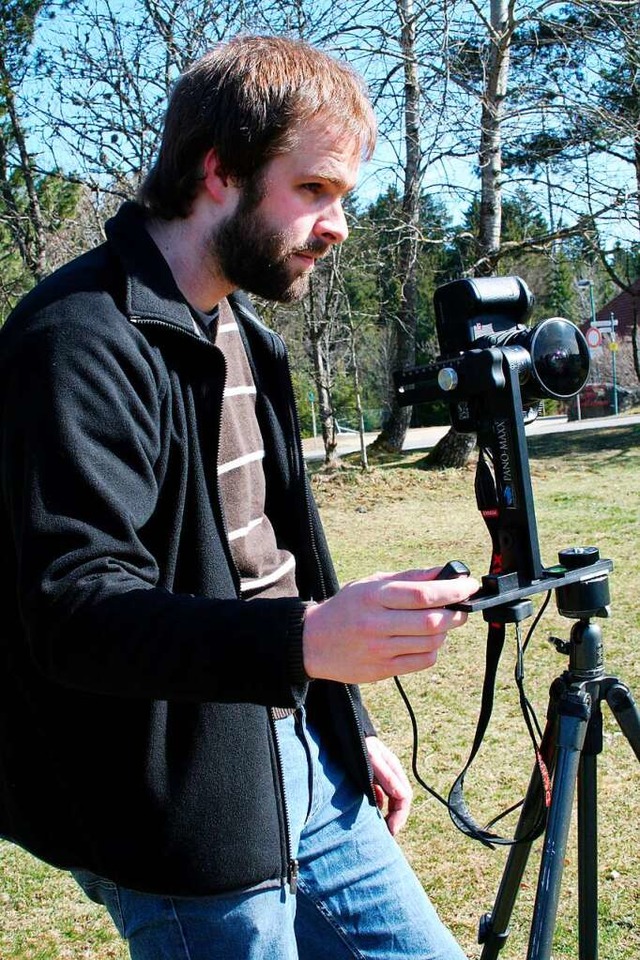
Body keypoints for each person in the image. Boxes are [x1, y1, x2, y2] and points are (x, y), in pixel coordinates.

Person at [0, 34, 479, 960]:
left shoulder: (247, 338)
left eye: (341, 195)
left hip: (304, 758)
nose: (337, 225)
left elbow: (276, 560)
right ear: (218, 170)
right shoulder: (76, 342)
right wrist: (309, 642)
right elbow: (75, 609)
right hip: (177, 808)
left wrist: (347, 724)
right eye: (314, 191)